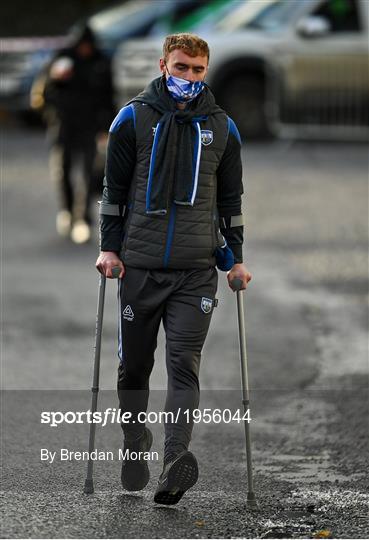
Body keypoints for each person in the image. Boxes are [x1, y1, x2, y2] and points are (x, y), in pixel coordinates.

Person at [96, 33, 252, 505]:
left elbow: (231, 202)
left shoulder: (223, 128)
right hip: (139, 269)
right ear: (164, 64)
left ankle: (174, 461)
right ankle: (134, 442)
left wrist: (237, 258)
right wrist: (109, 249)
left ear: (207, 71)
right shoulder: (133, 118)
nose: (189, 78)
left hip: (195, 271)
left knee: (184, 365)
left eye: (198, 70)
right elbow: (114, 190)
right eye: (182, 68)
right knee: (133, 370)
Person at [40, 24, 114, 243]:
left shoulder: (101, 61)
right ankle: (68, 212)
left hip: (90, 126)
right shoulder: (63, 60)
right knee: (63, 170)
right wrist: (58, 81)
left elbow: (108, 96)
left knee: (90, 173)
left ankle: (84, 219)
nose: (85, 50)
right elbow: (46, 93)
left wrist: (108, 128)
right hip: (64, 126)